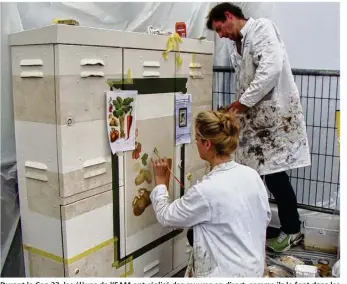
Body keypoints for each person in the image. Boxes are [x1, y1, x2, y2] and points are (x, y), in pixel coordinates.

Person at [206, 3, 311, 253]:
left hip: (273, 119)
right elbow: (245, 81)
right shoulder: (237, 44)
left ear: (230, 16)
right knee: (253, 175)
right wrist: (237, 109)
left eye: (220, 28)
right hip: (256, 122)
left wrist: (240, 104)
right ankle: (252, 225)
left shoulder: (262, 29)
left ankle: (292, 230)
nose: (221, 35)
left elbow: (270, 71)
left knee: (275, 176)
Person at [150, 110, 271, 277]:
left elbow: (166, 216)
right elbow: (264, 218)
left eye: (197, 140)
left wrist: (161, 184)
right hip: (254, 269)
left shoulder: (206, 190)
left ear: (207, 144)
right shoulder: (252, 175)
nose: (196, 143)